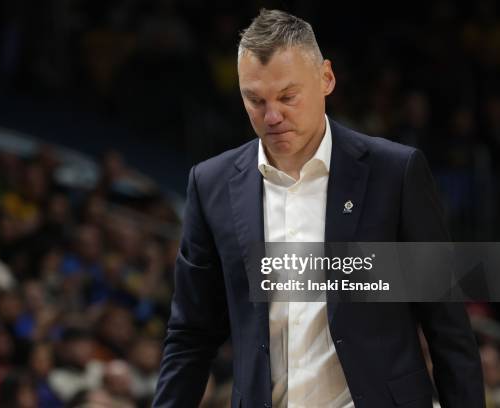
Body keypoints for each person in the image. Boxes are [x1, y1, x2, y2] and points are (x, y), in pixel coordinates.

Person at [152, 9, 484, 408]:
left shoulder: (395, 173)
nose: (272, 116)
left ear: (326, 78)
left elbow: (447, 327)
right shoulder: (210, 184)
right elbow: (190, 335)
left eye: (288, 97)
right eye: (254, 99)